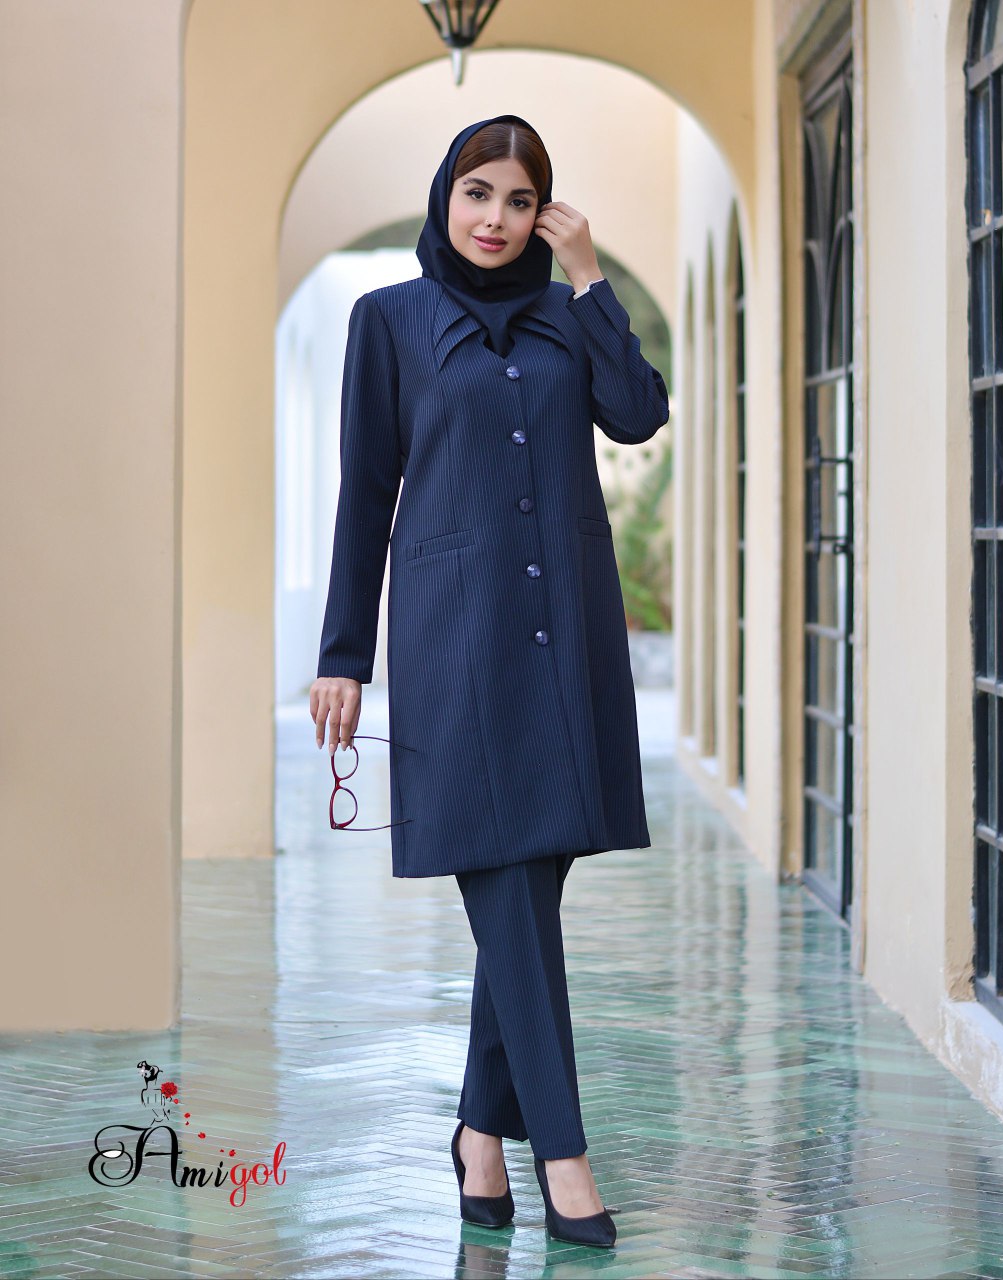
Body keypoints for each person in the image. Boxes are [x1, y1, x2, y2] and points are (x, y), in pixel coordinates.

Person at [309, 114, 669, 1249]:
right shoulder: (390, 321)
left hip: (565, 635)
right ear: (445, 196)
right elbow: (365, 491)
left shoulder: (568, 317)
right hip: (454, 641)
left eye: (519, 200)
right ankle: (562, 1153)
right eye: (478, 194)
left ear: (542, 212)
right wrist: (342, 655)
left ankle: (477, 1132)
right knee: (508, 886)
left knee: (529, 888)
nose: (496, 219)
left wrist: (592, 278)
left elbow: (638, 414)